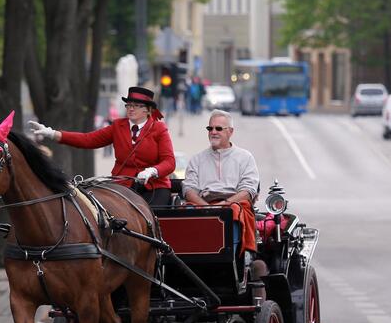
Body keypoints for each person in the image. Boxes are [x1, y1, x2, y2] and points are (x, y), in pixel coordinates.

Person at [28, 86, 176, 207]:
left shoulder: (159, 129)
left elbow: (169, 162)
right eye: (129, 105)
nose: (131, 109)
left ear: (147, 110)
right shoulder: (118, 125)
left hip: (154, 187)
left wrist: (153, 171)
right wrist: (52, 133)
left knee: (153, 217)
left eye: (136, 106)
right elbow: (88, 140)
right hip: (122, 185)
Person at [182, 109, 259, 254]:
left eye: (218, 128)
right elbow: (189, 189)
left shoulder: (245, 157)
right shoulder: (197, 159)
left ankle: (233, 258)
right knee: (186, 212)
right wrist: (207, 207)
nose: (213, 132)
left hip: (233, 204)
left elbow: (248, 191)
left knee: (233, 211)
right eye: (210, 128)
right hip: (202, 205)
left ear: (230, 131)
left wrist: (224, 205)